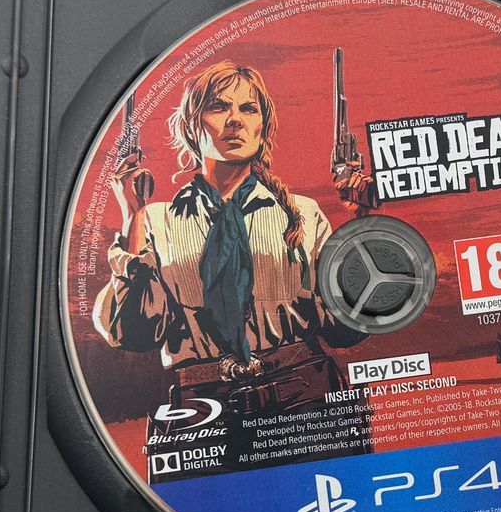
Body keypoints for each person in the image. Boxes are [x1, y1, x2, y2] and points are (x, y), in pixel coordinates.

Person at [93, 60, 371, 479]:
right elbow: (131, 334)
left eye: (249, 108)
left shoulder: (303, 214)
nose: (235, 120)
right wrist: (132, 215)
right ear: (192, 126)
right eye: (219, 107)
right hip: (200, 421)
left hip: (308, 407)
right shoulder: (154, 222)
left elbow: (344, 330)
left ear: (263, 126)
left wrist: (361, 223)